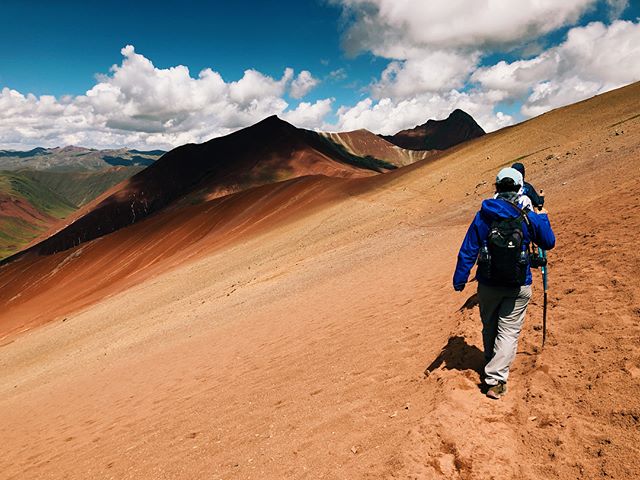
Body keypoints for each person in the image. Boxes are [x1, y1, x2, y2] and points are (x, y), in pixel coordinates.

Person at [452, 167, 555, 399]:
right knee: (508, 331)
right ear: (520, 187)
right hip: (519, 284)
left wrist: (460, 280)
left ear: (496, 187)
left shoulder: (485, 214)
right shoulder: (528, 214)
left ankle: (491, 363)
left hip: (488, 283)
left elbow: (468, 249)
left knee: (490, 326)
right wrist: (543, 216)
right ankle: (496, 380)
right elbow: (548, 242)